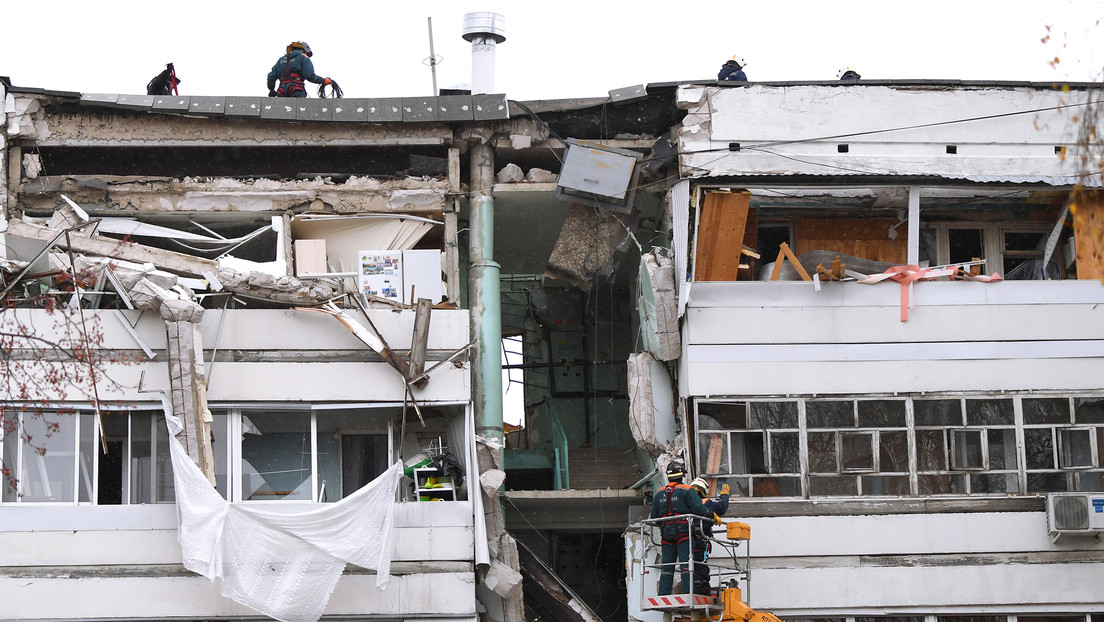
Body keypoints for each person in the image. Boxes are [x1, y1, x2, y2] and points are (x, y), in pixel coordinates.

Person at [650, 461, 720, 595]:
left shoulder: (659, 494)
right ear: (681, 475)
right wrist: (712, 515)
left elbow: (655, 516)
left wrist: (666, 524)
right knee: (686, 565)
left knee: (667, 566)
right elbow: (699, 509)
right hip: (684, 532)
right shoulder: (687, 490)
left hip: (666, 533)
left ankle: (664, 594)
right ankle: (688, 594)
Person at [689, 477, 731, 596]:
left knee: (689, 562)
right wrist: (725, 496)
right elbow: (721, 508)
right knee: (700, 563)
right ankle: (700, 586)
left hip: (685, 539)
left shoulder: (686, 504)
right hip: (699, 539)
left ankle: (692, 585)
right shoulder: (705, 502)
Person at [267, 41, 333, 98]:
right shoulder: (303, 58)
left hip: (282, 91)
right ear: (305, 51)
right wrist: (323, 81)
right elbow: (309, 75)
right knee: (299, 110)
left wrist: (271, 90)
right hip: (296, 89)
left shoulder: (281, 60)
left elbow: (271, 77)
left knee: (281, 111)